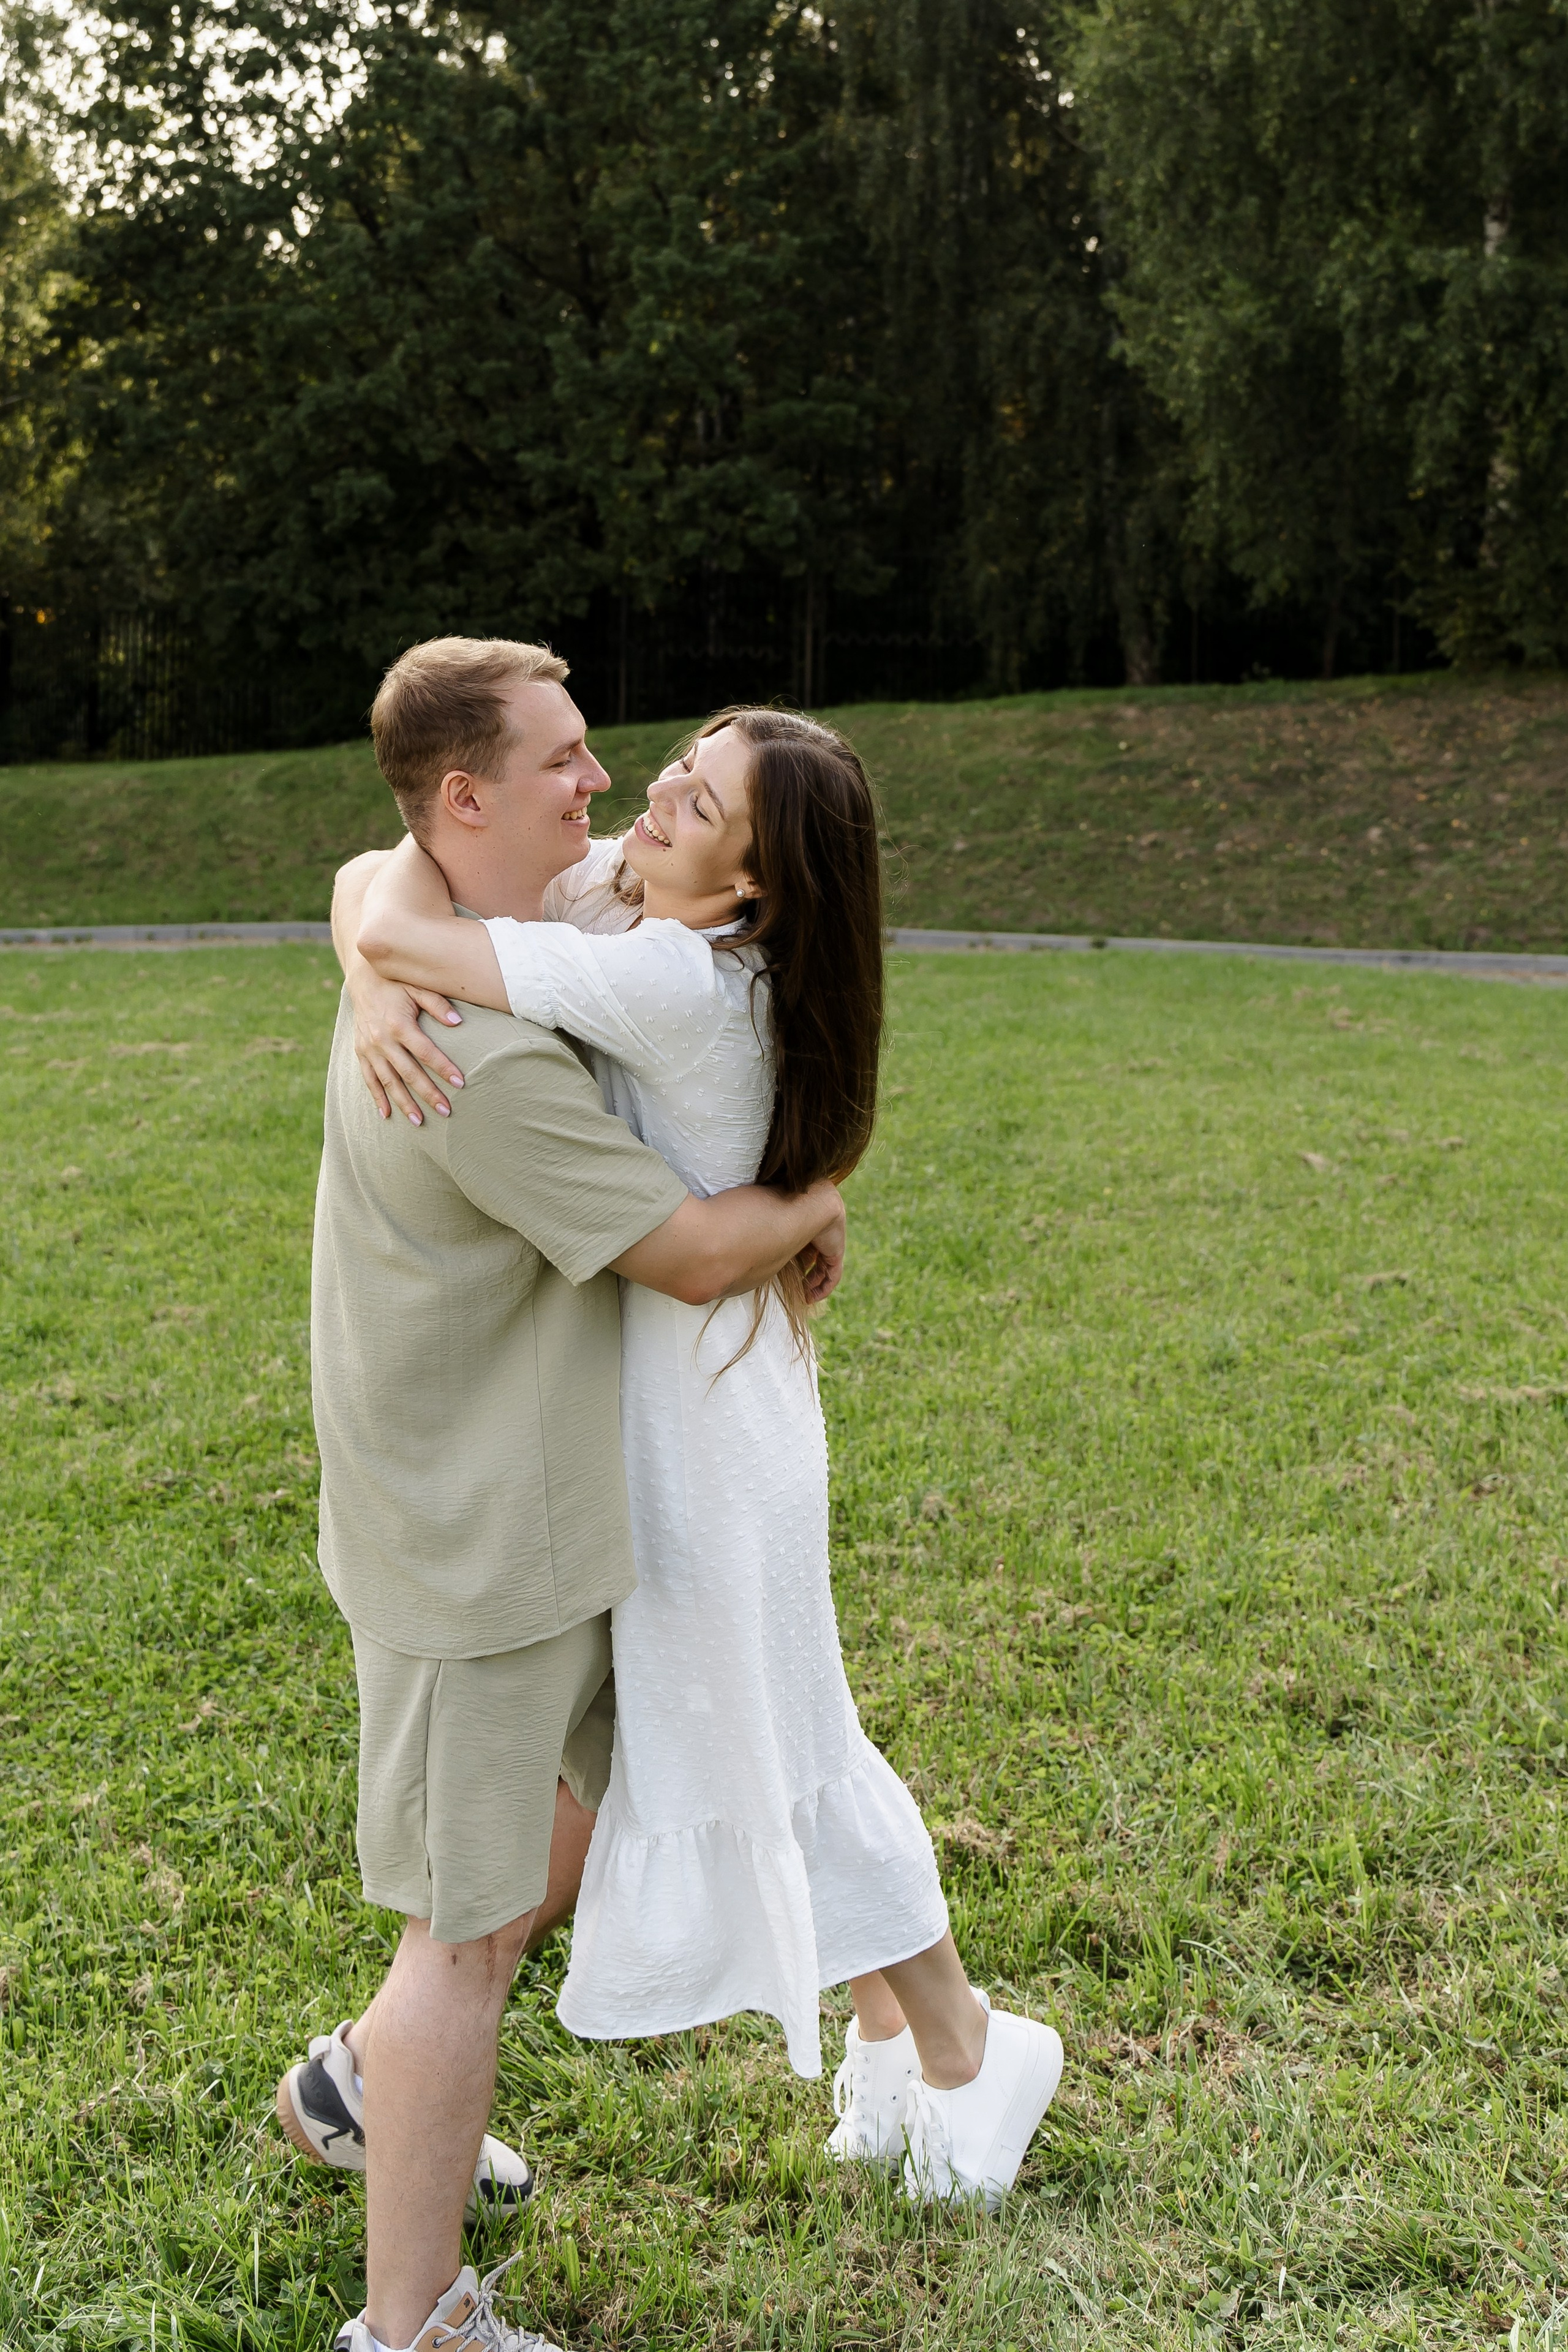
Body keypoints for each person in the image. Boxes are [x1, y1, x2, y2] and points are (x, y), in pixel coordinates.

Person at [336, 698, 1065, 2221]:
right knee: (766, 1736)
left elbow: (418, 935)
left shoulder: (671, 976)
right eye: (681, 766)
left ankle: (969, 2049)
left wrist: (380, 971)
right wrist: (365, 967)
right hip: (680, 1408)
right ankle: (902, 2051)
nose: (653, 794)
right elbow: (378, 879)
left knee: (787, 1742)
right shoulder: (645, 909)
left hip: (706, 1437)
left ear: (747, 885)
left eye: (697, 802)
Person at [293, 637, 848, 2352]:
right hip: (481, 1541)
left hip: (532, 1498)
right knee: (462, 1939)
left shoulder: (485, 919)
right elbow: (684, 1253)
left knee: (581, 1813)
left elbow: (367, 874)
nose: (603, 787)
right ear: (469, 798)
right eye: (566, 760)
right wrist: (819, 1198)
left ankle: (361, 2087)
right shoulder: (479, 1054)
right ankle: (412, 2326)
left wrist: (370, 950)